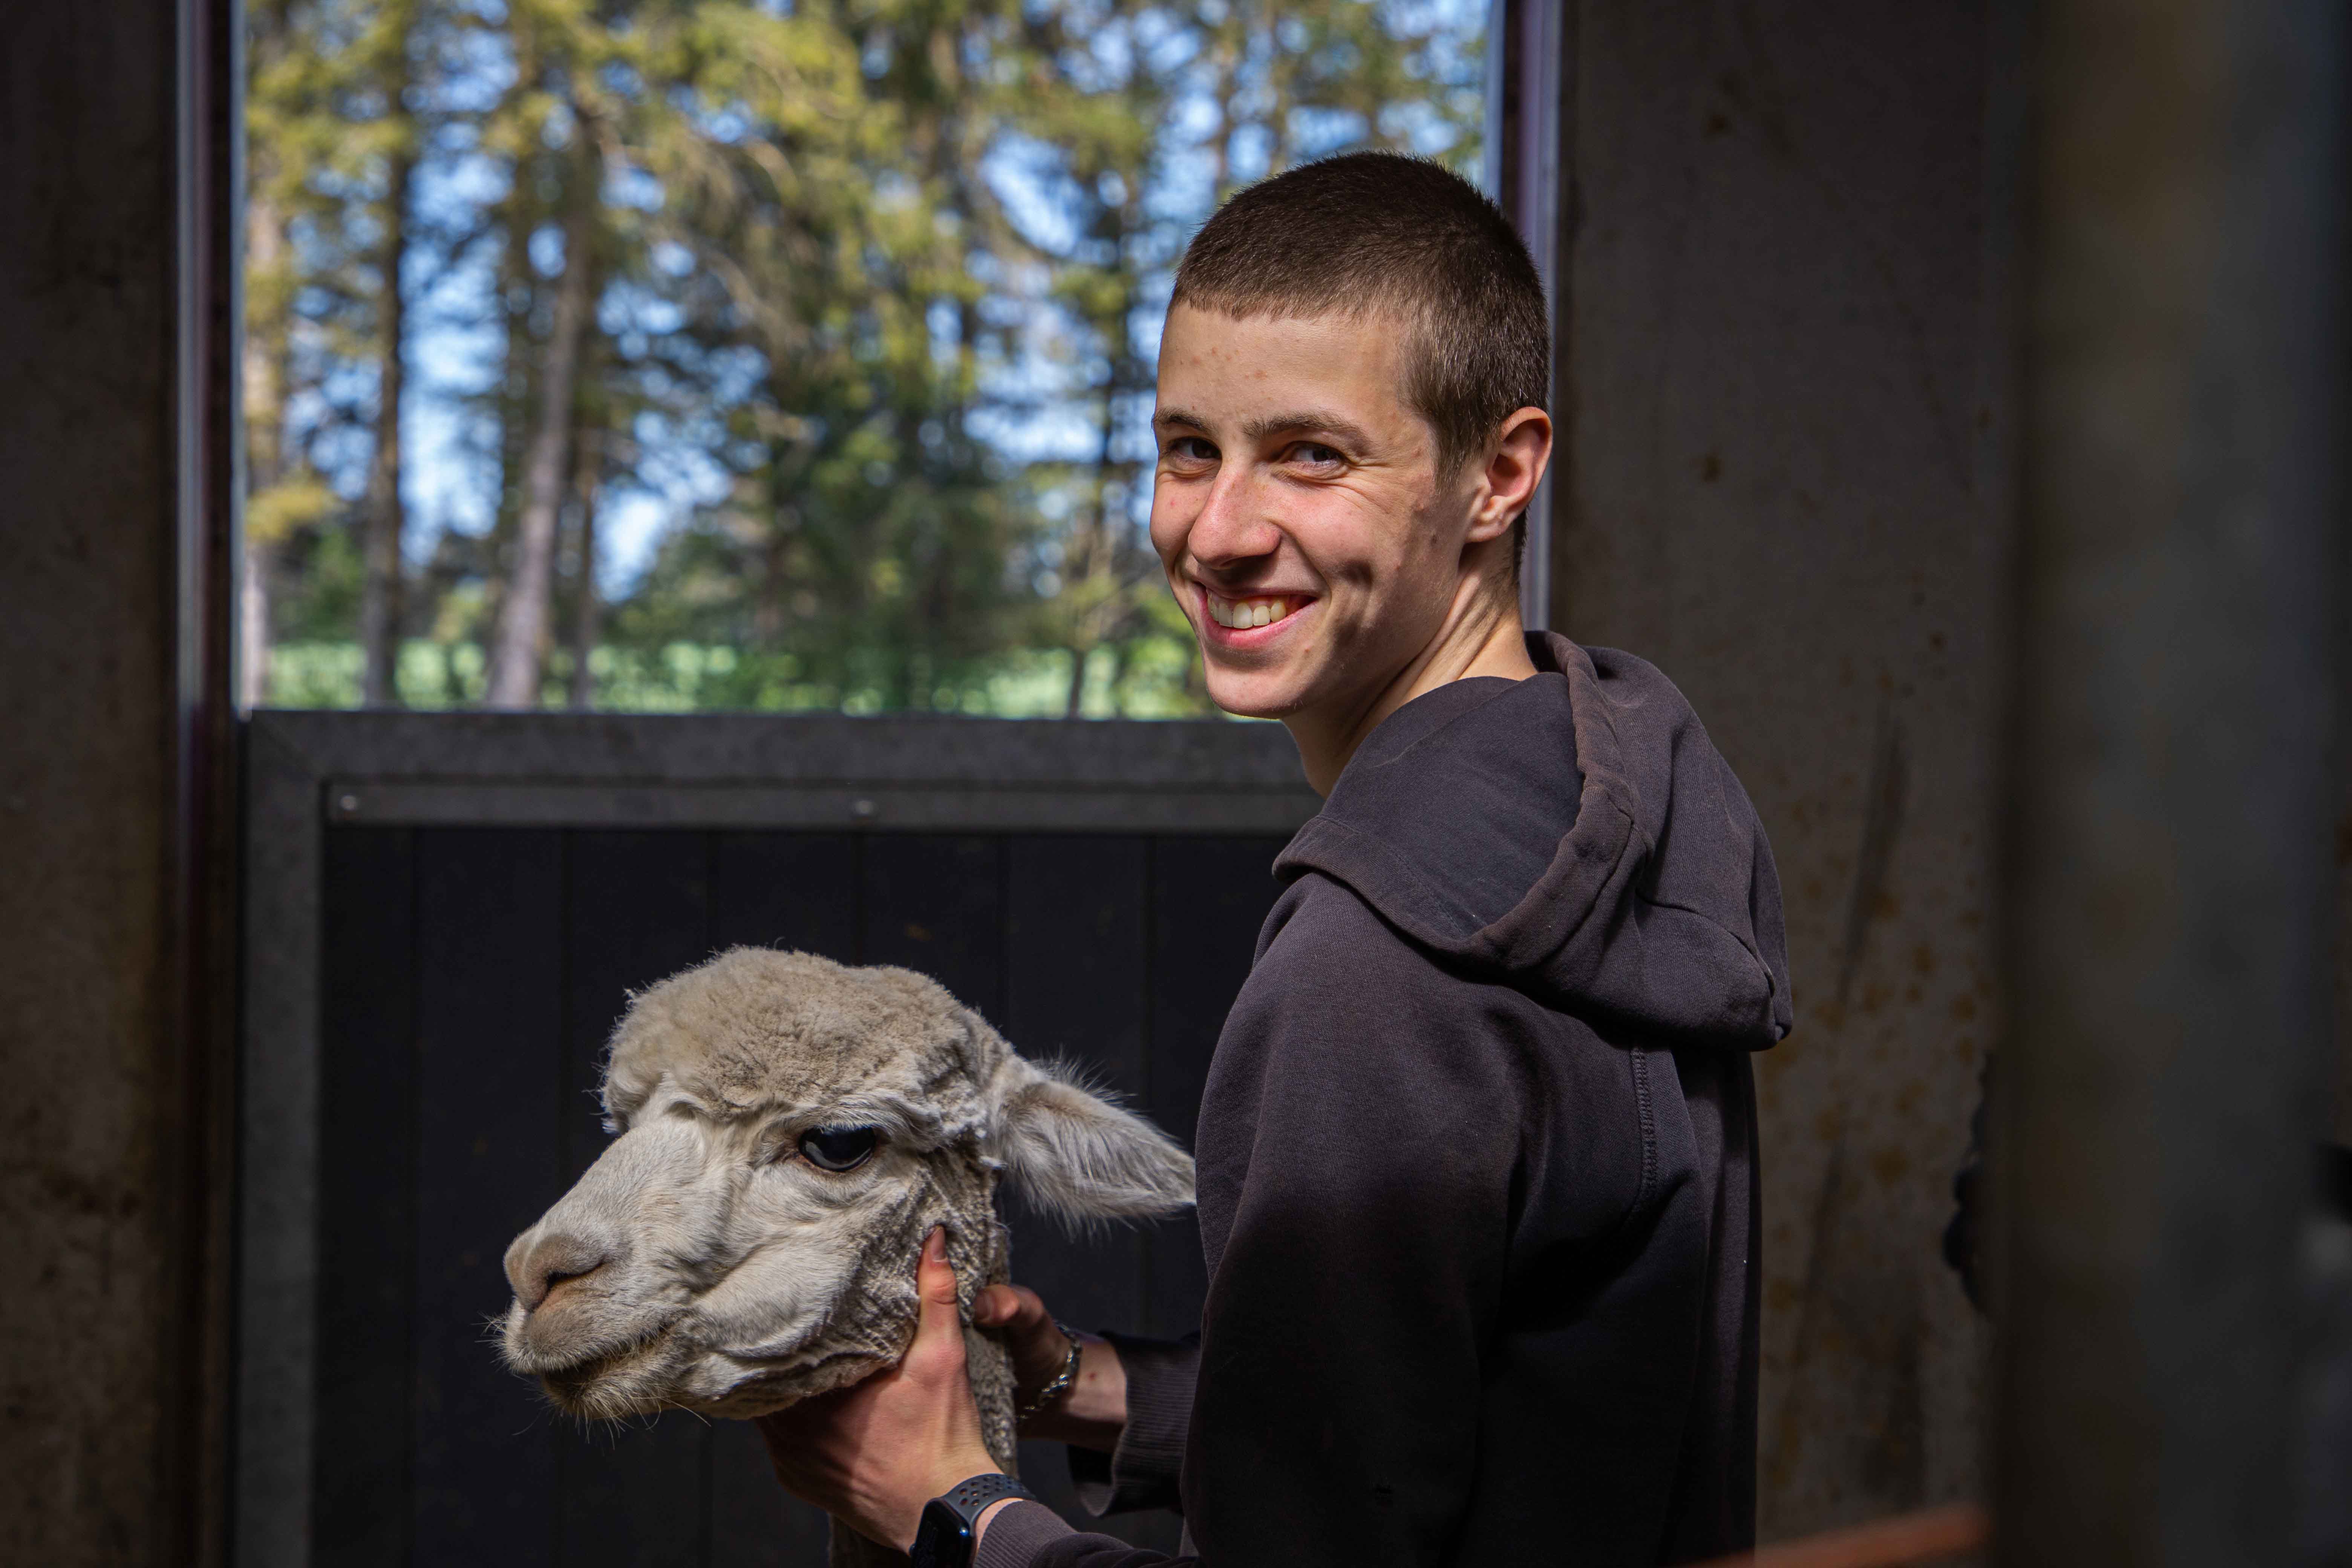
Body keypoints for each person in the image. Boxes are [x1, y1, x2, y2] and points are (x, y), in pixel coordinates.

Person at [757, 150, 1792, 1568]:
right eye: (1191, 448)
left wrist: (952, 1507)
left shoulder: (1371, 974)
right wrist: (1083, 1386)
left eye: (1312, 454)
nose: (1220, 531)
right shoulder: (1598, 814)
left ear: (1500, 473)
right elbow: (1514, 1408)